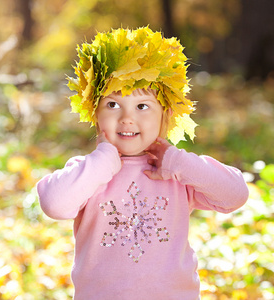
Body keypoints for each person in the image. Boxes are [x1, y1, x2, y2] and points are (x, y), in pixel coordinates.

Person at [36, 27, 249, 299]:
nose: (127, 118)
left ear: (166, 115)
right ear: (94, 113)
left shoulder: (177, 173)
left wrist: (178, 161)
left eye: (142, 106)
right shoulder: (87, 172)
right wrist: (102, 160)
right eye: (112, 105)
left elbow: (235, 195)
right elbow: (54, 204)